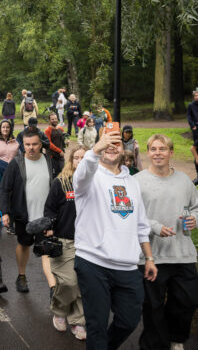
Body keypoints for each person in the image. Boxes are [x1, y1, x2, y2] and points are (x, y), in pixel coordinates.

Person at [72, 130, 157, 350]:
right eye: (107, 142)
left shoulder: (132, 182)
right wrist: (95, 150)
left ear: (124, 149)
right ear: (99, 145)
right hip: (93, 263)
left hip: (127, 266)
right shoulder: (89, 175)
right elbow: (81, 176)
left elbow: (141, 224)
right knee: (97, 325)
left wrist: (148, 257)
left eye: (116, 143)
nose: (112, 147)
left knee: (129, 320)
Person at [135, 134, 197, 350]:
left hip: (183, 253)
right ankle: (154, 345)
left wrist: (194, 219)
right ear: (148, 152)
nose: (158, 153)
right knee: (152, 306)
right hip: (151, 255)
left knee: (187, 300)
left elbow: (195, 207)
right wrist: (154, 226)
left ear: (171, 153)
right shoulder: (138, 181)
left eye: (162, 149)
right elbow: (132, 215)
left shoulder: (184, 180)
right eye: (153, 149)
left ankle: (176, 338)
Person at [0, 130, 53, 293]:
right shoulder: (16, 163)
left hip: (45, 217)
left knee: (46, 249)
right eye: (27, 144)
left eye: (34, 144)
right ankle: (21, 276)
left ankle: (53, 287)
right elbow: (4, 189)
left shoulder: (49, 161)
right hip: (24, 216)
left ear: (41, 144)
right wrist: (5, 212)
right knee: (24, 245)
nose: (31, 148)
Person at [43, 145, 87, 341]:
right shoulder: (61, 182)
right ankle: (60, 309)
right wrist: (50, 226)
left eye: (84, 158)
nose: (80, 161)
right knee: (69, 281)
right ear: (71, 160)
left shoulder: (95, 182)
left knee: (83, 284)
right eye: (77, 158)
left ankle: (78, 321)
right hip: (65, 240)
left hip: (89, 243)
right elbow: (50, 209)